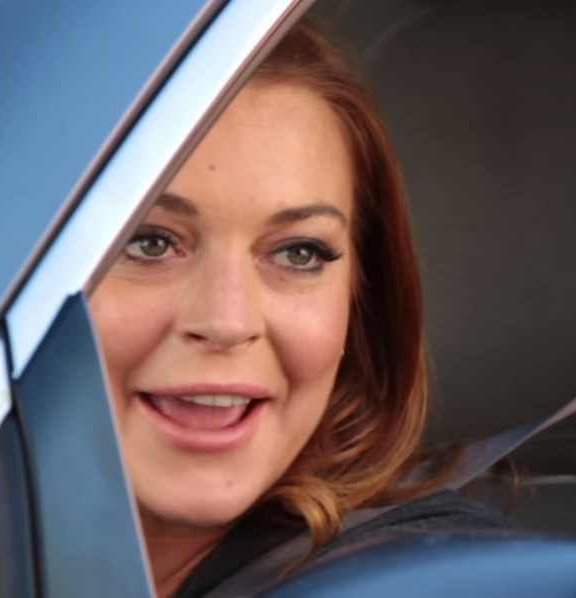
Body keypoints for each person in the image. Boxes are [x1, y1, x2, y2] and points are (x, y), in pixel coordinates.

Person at [88, 18, 513, 598]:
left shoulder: (430, 576)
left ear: (361, 299)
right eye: (150, 243)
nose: (228, 321)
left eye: (298, 253)